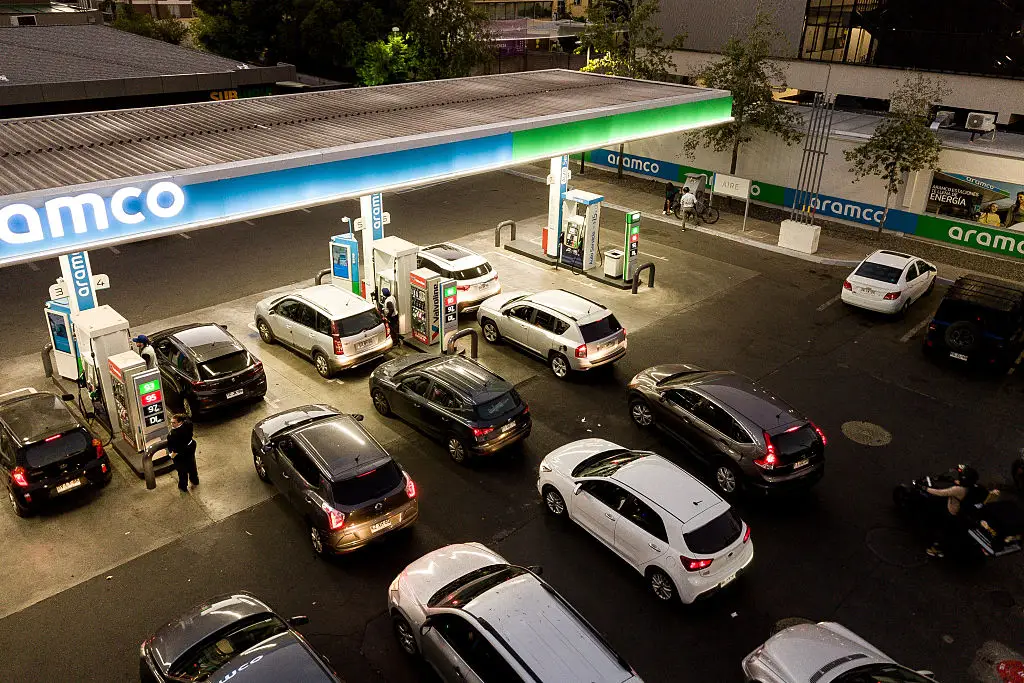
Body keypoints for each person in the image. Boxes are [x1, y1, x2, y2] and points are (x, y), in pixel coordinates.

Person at [924, 464, 980, 557]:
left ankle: (936, 549)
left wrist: (925, 488)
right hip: (960, 508)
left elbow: (940, 493)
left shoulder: (958, 490)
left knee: (939, 525)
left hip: (951, 510)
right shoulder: (972, 487)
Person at [167, 413, 198, 492]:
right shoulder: (188, 425)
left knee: (182, 470)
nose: (172, 424)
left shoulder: (173, 434)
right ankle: (194, 480)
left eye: (174, 422)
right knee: (191, 464)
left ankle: (183, 486)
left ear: (180, 422)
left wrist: (172, 453)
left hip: (180, 452)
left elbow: (173, 445)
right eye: (171, 422)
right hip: (190, 447)